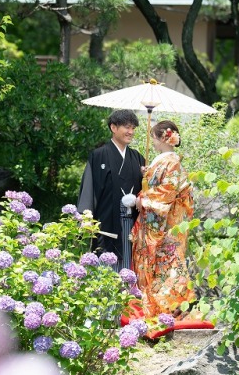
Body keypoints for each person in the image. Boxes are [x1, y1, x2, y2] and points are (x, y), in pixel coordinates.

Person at [131, 120, 195, 318]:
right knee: (161, 262)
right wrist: (147, 173)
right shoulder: (166, 160)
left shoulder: (170, 161)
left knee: (166, 261)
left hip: (165, 222)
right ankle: (162, 306)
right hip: (162, 219)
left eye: (154, 138)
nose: (154, 143)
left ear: (161, 138)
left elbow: (167, 190)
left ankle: (168, 306)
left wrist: (144, 199)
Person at [77, 109, 145, 265]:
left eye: (133, 128)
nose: (131, 132)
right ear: (113, 128)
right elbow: (89, 188)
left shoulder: (138, 158)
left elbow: (145, 192)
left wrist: (147, 178)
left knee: (130, 264)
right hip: (106, 223)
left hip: (132, 222)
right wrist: (86, 217)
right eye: (127, 127)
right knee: (106, 266)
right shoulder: (98, 155)